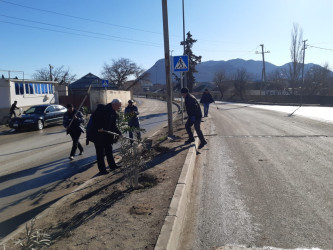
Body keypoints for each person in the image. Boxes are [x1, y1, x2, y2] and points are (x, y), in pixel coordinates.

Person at [90, 99, 122, 175]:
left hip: (107, 136)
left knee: (109, 151)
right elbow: (94, 119)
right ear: (114, 104)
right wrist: (99, 127)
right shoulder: (102, 109)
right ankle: (102, 170)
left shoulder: (113, 112)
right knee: (100, 153)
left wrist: (119, 133)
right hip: (98, 135)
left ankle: (112, 166)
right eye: (119, 106)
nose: (119, 108)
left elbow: (113, 125)